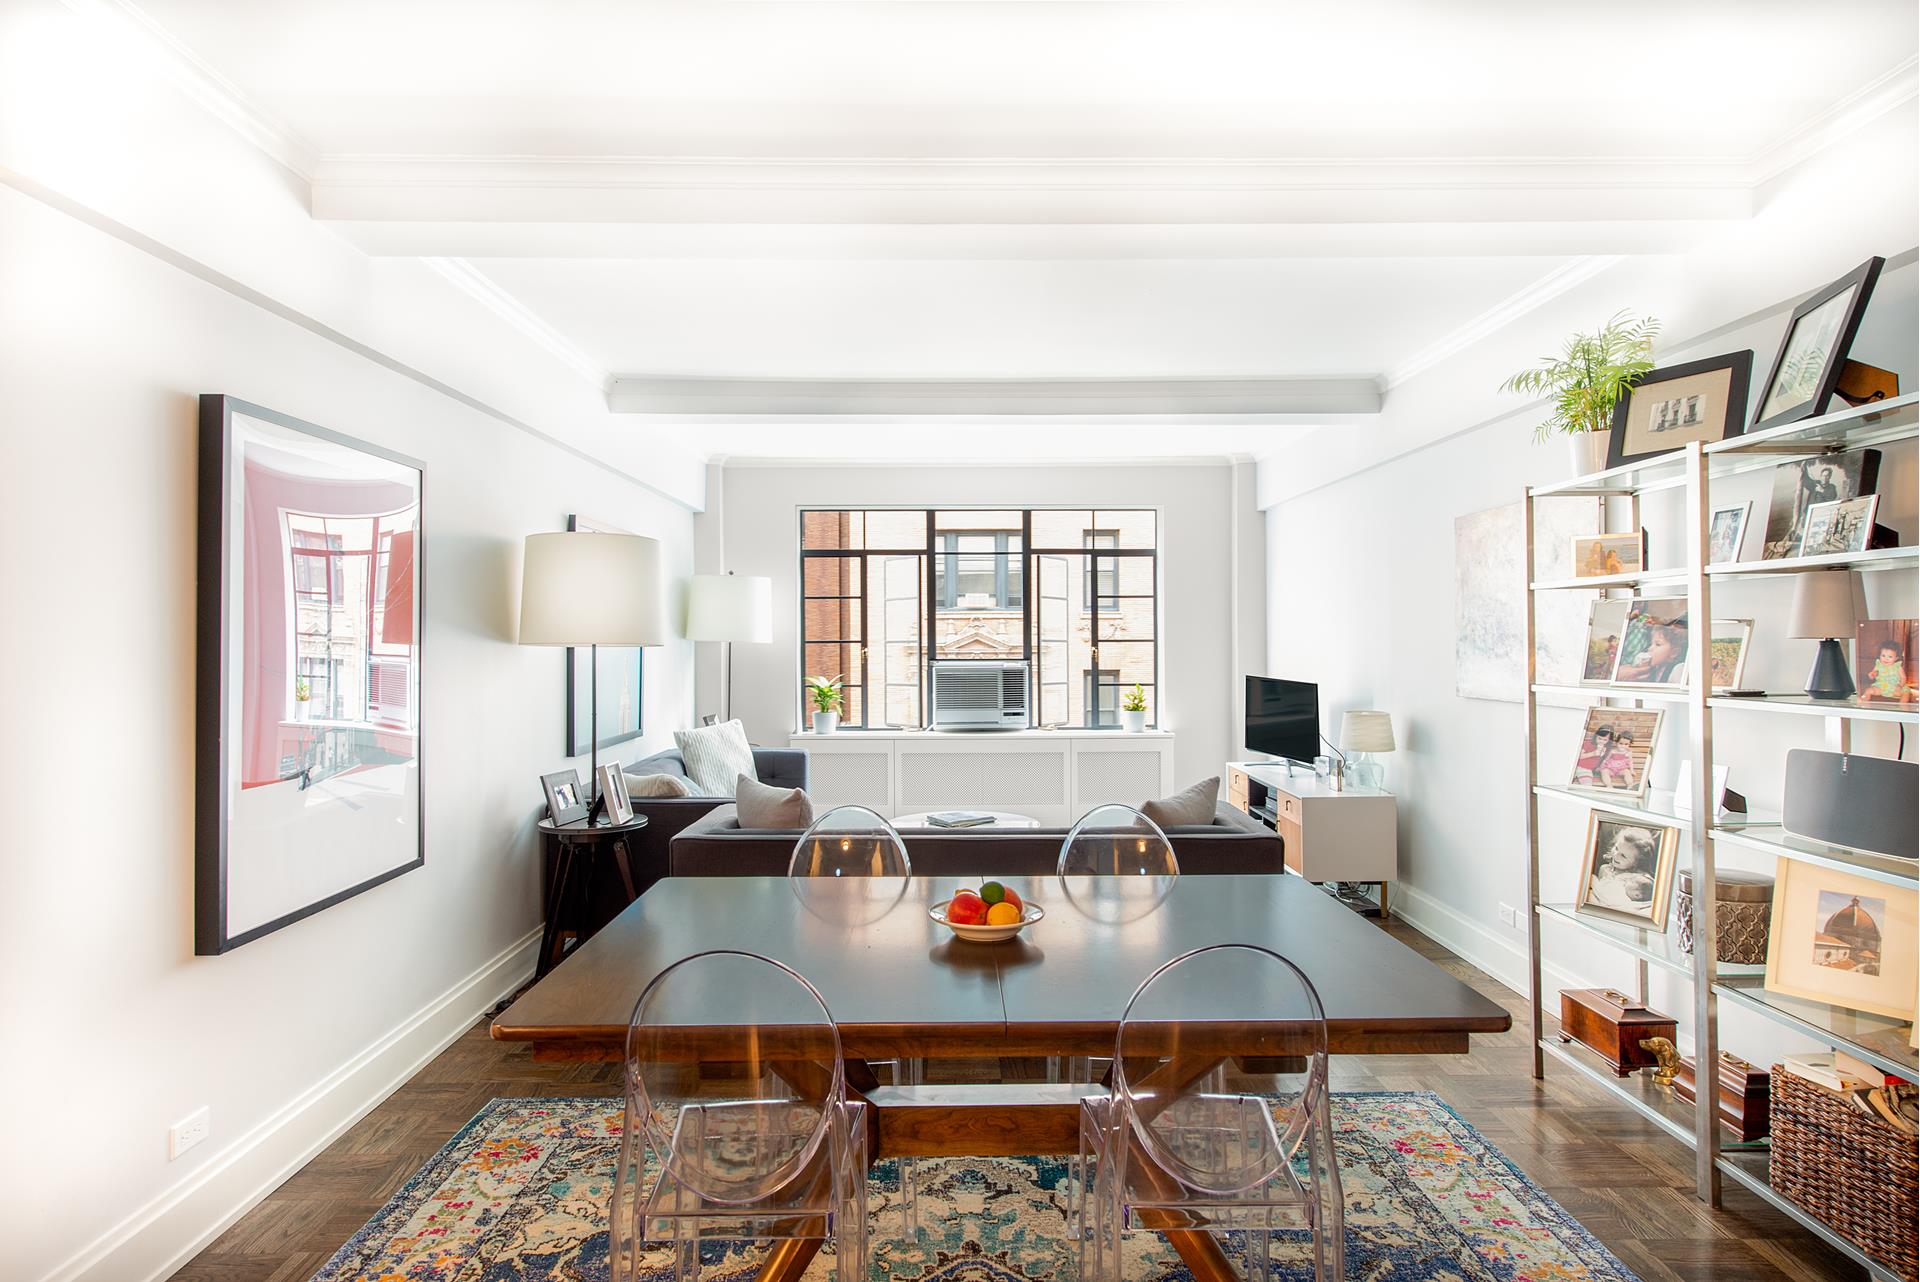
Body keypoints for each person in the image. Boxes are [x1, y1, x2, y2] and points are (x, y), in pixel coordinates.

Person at [1587, 827, 1659, 914]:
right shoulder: (1605, 869)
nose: (1615, 855)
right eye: (1616, 848)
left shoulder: (1640, 880)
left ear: (1637, 862)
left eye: (1623, 856)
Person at [1616, 617, 1686, 684]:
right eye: (1651, 644)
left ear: (1674, 653)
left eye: (1658, 644)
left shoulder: (1678, 670)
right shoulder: (1653, 668)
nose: (1650, 648)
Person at [1862, 637, 1915, 702]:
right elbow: (1873, 673)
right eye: (1883, 655)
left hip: (1895, 687)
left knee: (1906, 693)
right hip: (1881, 687)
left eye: (1890, 657)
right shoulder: (1878, 665)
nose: (1886, 659)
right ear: (1879, 655)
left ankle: (1903, 705)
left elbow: (1903, 677)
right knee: (1868, 690)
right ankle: (1863, 701)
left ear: (1896, 658)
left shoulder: (1897, 667)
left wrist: (1900, 685)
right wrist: (1872, 675)